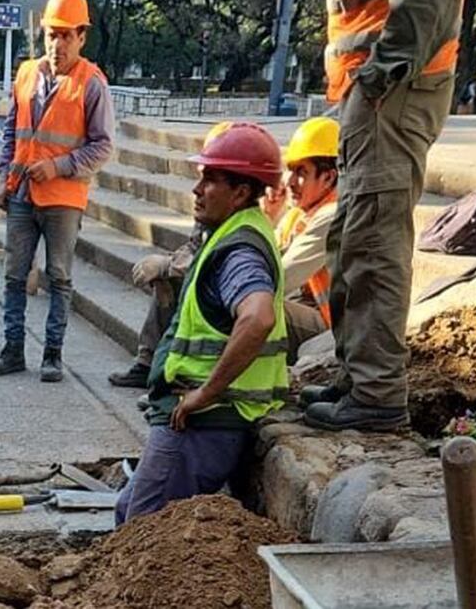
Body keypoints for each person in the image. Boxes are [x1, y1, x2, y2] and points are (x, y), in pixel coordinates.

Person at [301, 0, 470, 432]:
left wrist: (378, 77)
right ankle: (359, 382)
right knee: (355, 236)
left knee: (373, 240)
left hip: (390, 90)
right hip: (371, 93)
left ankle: (375, 396)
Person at [115, 123, 289, 524]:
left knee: (143, 525)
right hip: (200, 415)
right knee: (129, 511)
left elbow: (259, 317)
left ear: (241, 192)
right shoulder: (231, 233)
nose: (197, 190)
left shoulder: (238, 249)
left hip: (204, 420)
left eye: (211, 179)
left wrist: (206, 393)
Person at [0, 0, 115, 382]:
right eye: (51, 34)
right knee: (14, 274)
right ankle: (13, 349)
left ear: (81, 36)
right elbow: (12, 131)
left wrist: (59, 166)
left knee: (59, 277)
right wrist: (6, 178)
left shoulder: (92, 83)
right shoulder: (26, 74)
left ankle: (53, 354)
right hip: (23, 193)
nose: (57, 43)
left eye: (65, 35)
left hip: (63, 198)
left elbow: (103, 145)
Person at [108, 122, 233, 397]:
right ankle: (151, 364)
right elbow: (196, 245)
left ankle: (177, 375)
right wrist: (168, 264)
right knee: (167, 280)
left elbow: (218, 262)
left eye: (210, 178)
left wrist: (169, 266)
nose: (197, 189)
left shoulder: (252, 222)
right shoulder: (216, 208)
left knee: (178, 280)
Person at [260, 117, 340, 362]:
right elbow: (260, 257)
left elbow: (282, 278)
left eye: (301, 172)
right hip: (307, 312)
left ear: (328, 177)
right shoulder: (298, 213)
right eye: (290, 170)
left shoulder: (332, 216)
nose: (290, 182)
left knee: (254, 304)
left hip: (331, 330)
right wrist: (269, 218)